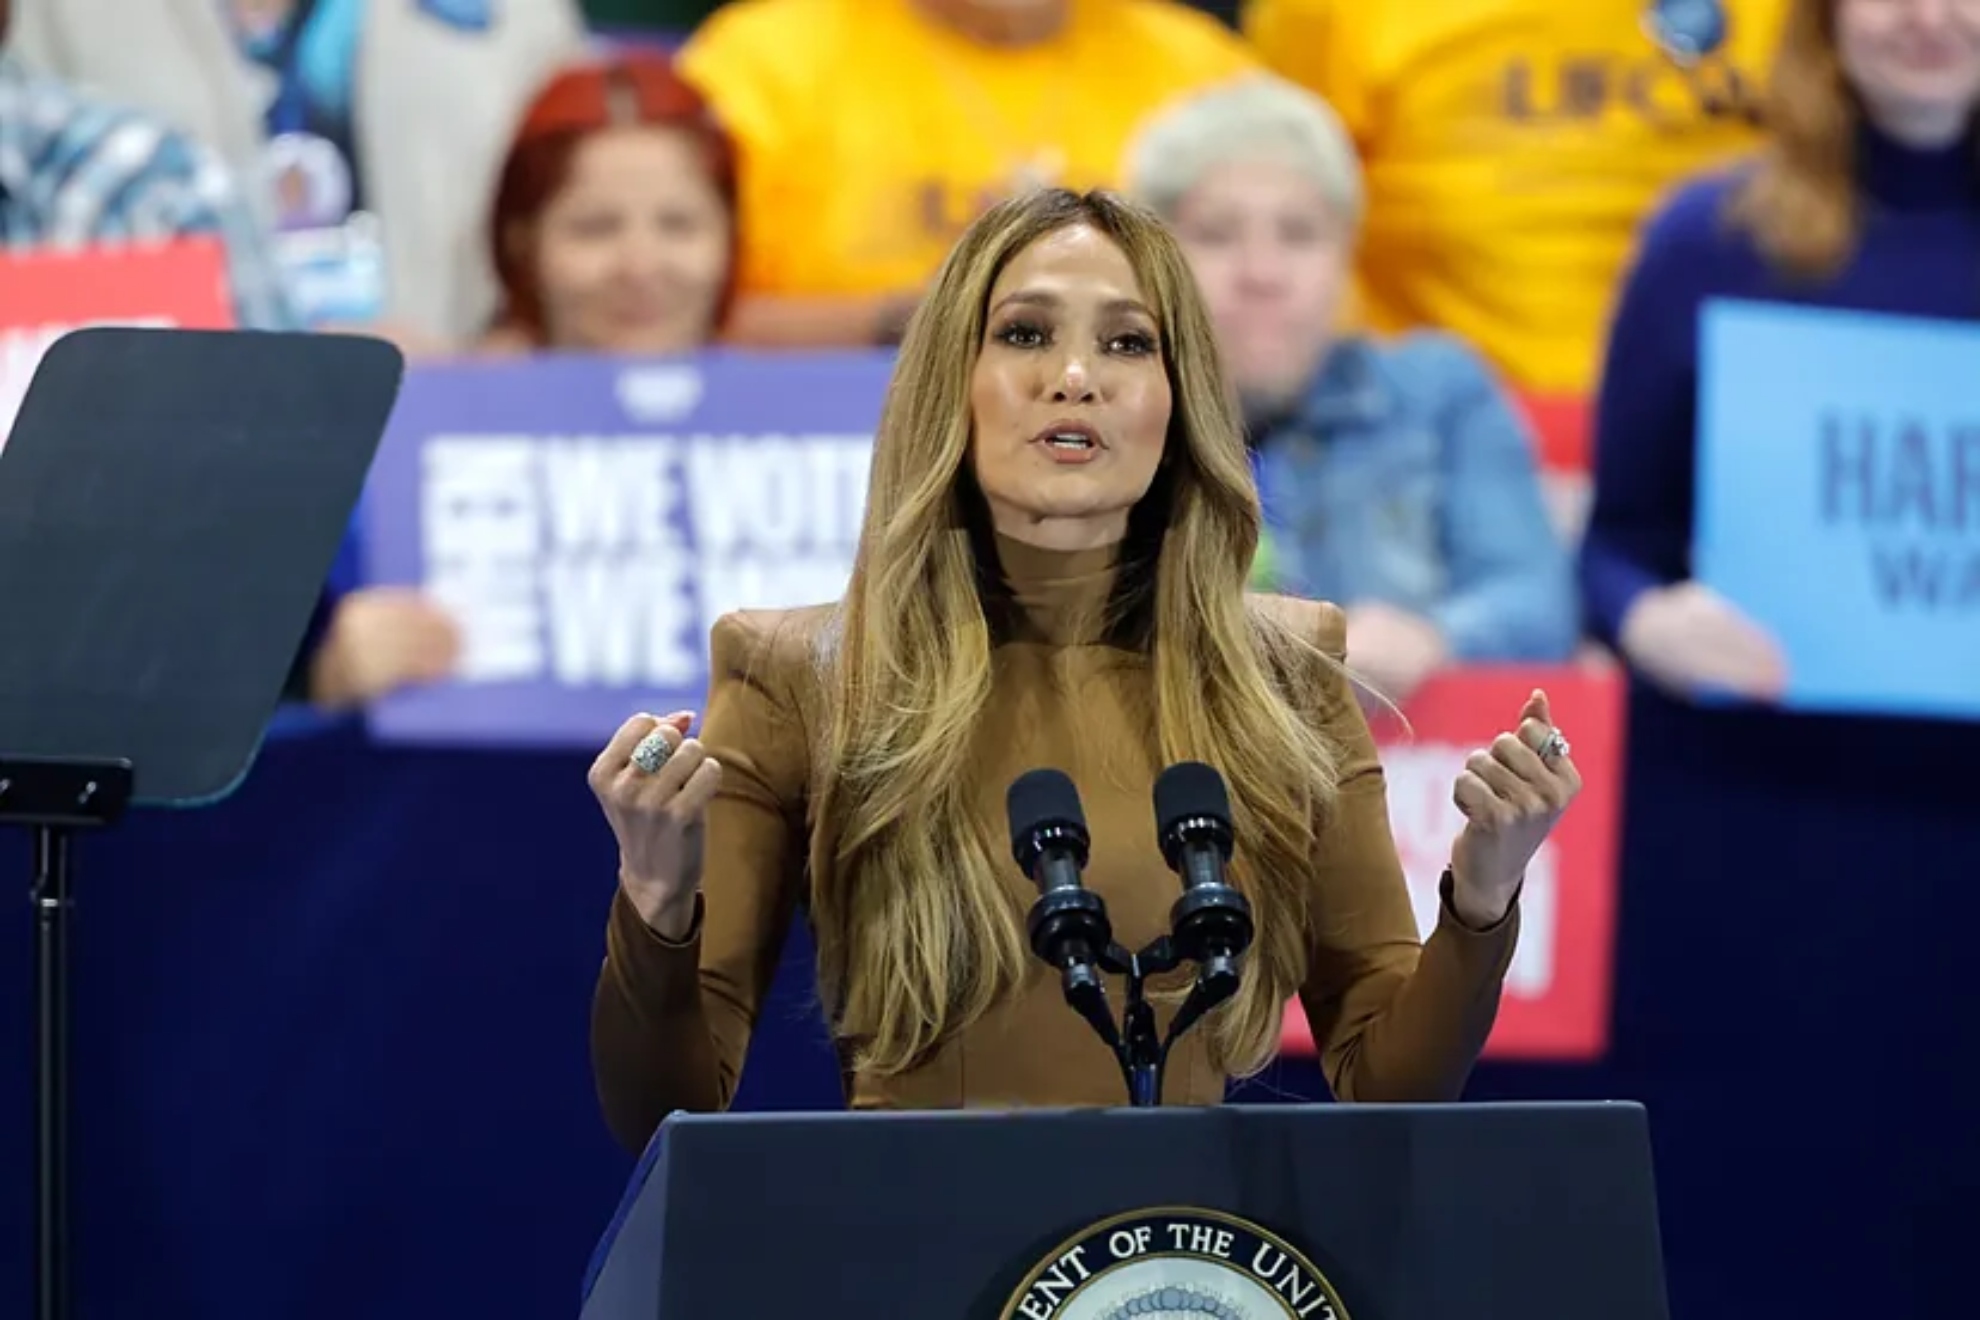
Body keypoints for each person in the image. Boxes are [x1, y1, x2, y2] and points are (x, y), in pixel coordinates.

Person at [586, 186, 1585, 1152]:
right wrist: (657, 901)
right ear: (950, 383)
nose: (1076, 376)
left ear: (1176, 398)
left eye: (1126, 342)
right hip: (916, 1256)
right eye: (1025, 333)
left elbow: (1386, 1086)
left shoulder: (1286, 673)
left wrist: (1482, 893)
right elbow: (666, 1114)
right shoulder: (794, 675)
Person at [1580, 1, 1979, 1313]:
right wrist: (1650, 620)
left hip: (1960, 851)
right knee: (1751, 1238)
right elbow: (1614, 544)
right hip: (1754, 835)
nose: (1925, 16)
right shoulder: (1712, 237)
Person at [1127, 75, 1578, 703]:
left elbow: (1537, 603)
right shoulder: (1103, 414)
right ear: (1150, 265)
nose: (1262, 273)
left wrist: (1432, 639)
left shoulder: (1439, 394)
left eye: (1299, 234)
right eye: (1217, 234)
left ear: (1346, 258)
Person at [1240, 0, 1791, 399]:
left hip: (1749, 417)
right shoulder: (1331, 18)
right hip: (1442, 443)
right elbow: (1273, 229)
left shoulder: (1811, 19)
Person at [673, 0, 1259, 348]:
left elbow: (1284, 314)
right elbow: (662, 323)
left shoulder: (1201, 70)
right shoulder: (763, 61)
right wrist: (906, 319)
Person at [9, 0, 588, 347]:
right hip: (176, 437)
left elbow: (579, 206)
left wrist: (499, 364)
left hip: (444, 428)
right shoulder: (54, 12)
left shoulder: (519, 14)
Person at [482, 50, 737, 354]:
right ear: (522, 245)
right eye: (597, 229)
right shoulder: (439, 394)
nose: (641, 268)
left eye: (678, 225)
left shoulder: (789, 398)